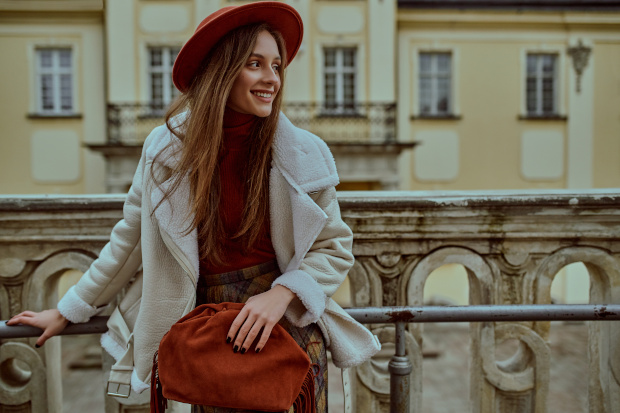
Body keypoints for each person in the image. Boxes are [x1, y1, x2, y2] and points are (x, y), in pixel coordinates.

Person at [7, 2, 380, 412]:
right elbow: (128, 242)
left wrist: (283, 294)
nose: (271, 78)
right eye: (255, 64)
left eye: (276, 66)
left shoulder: (304, 153)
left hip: (285, 325)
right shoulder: (165, 152)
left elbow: (335, 247)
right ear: (220, 70)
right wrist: (68, 310)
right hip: (204, 327)